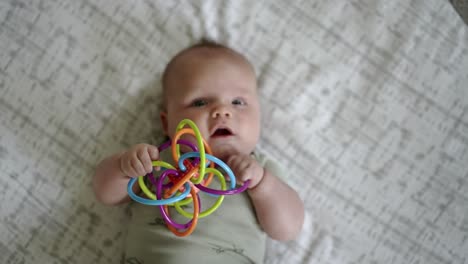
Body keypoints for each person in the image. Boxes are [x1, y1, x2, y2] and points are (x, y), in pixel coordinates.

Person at [93, 40, 304, 263]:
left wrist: (264, 185)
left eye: (238, 102)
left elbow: (287, 230)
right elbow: (105, 193)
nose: (222, 111)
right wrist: (124, 167)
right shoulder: (156, 161)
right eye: (200, 102)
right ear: (167, 123)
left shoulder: (260, 170)